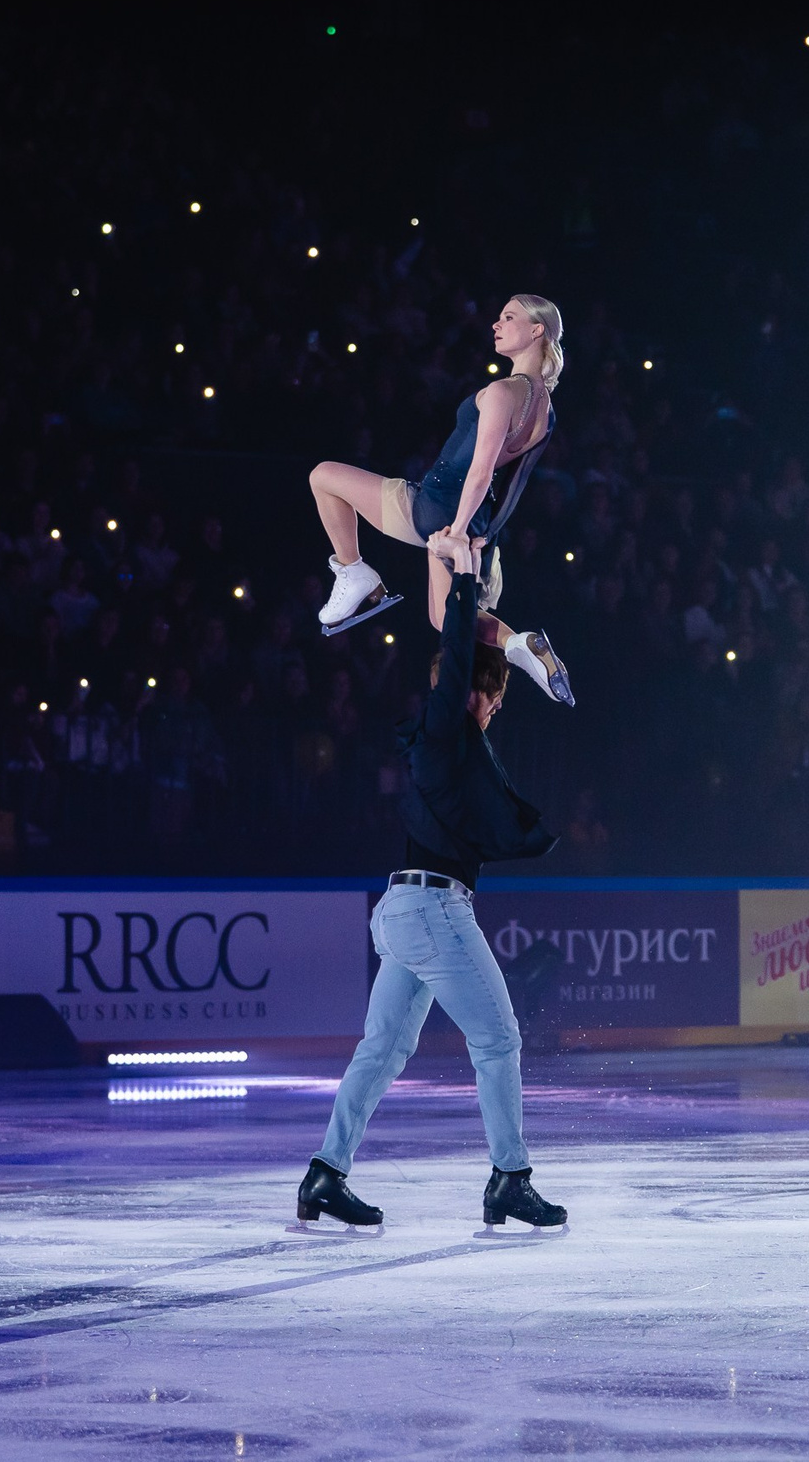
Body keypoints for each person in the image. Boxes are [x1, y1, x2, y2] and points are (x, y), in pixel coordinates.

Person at [297, 527, 569, 1231]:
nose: (498, 710)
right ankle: (510, 1176)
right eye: (497, 698)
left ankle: (326, 1172)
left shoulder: (440, 744)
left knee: (383, 1047)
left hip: (402, 907)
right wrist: (466, 586)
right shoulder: (447, 725)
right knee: (500, 1039)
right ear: (477, 692)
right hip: (433, 912)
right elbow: (455, 657)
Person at [307, 294, 575, 706]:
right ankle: (523, 644)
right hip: (476, 519)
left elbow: (482, 470)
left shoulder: (504, 391)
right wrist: (485, 534)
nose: (496, 324)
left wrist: (458, 530)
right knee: (446, 619)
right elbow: (514, 484)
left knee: (323, 476)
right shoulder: (546, 411)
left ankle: (353, 571)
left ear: (537, 330)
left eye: (508, 317)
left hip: (436, 506)